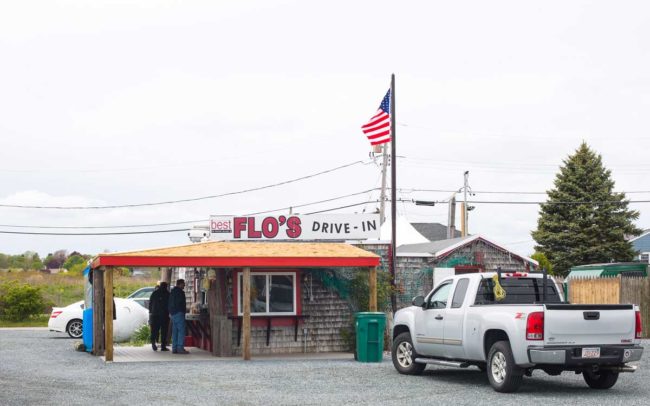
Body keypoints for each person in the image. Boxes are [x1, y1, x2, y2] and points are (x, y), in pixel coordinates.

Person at [168, 279, 189, 354]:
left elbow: (170, 302)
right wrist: (183, 310)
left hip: (173, 313)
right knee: (181, 331)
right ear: (180, 284)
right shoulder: (180, 292)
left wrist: (170, 312)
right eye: (183, 284)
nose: (184, 285)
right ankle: (180, 347)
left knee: (175, 331)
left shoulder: (172, 292)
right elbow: (180, 302)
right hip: (179, 312)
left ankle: (174, 348)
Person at [148, 281, 170, 352]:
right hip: (164, 315)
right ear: (166, 286)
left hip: (155, 315)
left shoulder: (154, 293)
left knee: (154, 330)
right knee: (164, 331)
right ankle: (163, 346)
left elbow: (150, 303)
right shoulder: (167, 294)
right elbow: (169, 304)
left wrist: (150, 312)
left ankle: (153, 343)